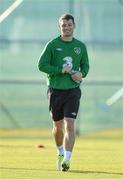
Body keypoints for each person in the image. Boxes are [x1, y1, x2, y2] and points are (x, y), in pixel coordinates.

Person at [38, 14, 89, 171]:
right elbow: (42, 65)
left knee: (70, 124)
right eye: (63, 25)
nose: (66, 27)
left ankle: (67, 159)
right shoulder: (52, 45)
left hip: (73, 91)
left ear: (74, 26)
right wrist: (60, 70)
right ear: (59, 27)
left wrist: (82, 74)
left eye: (69, 24)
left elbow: (85, 66)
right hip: (55, 91)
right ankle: (60, 151)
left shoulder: (80, 46)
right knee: (58, 127)